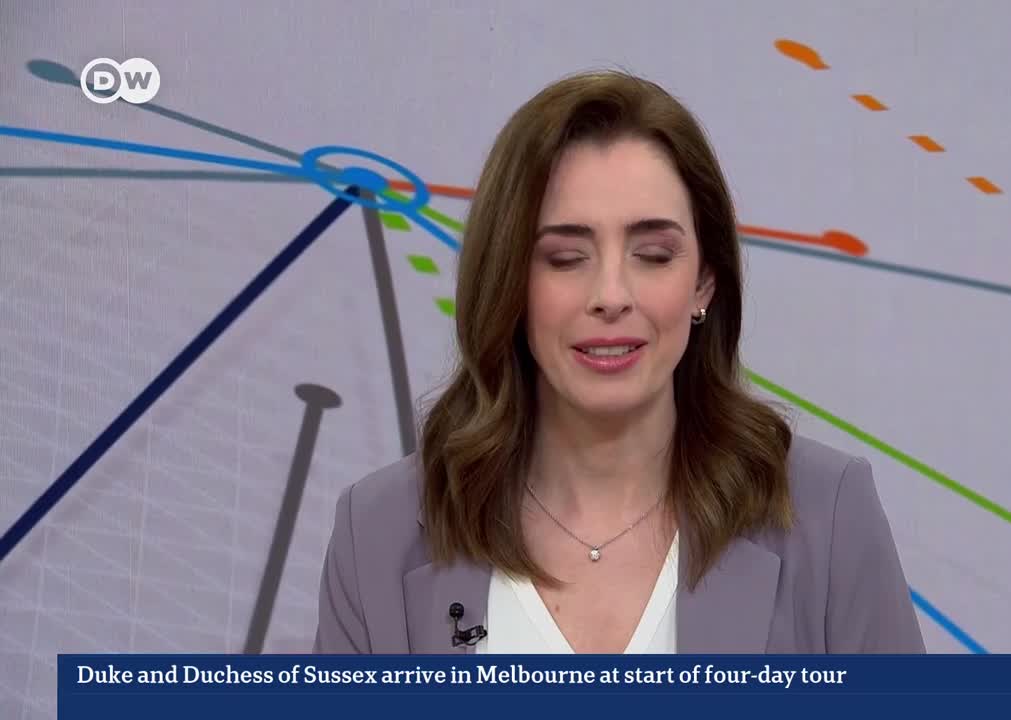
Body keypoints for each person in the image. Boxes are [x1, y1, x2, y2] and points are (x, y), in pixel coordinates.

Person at [312, 69, 924, 655]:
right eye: (565, 257)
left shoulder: (827, 514)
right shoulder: (379, 534)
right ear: (510, 285)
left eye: (653, 254)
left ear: (705, 281)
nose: (611, 295)